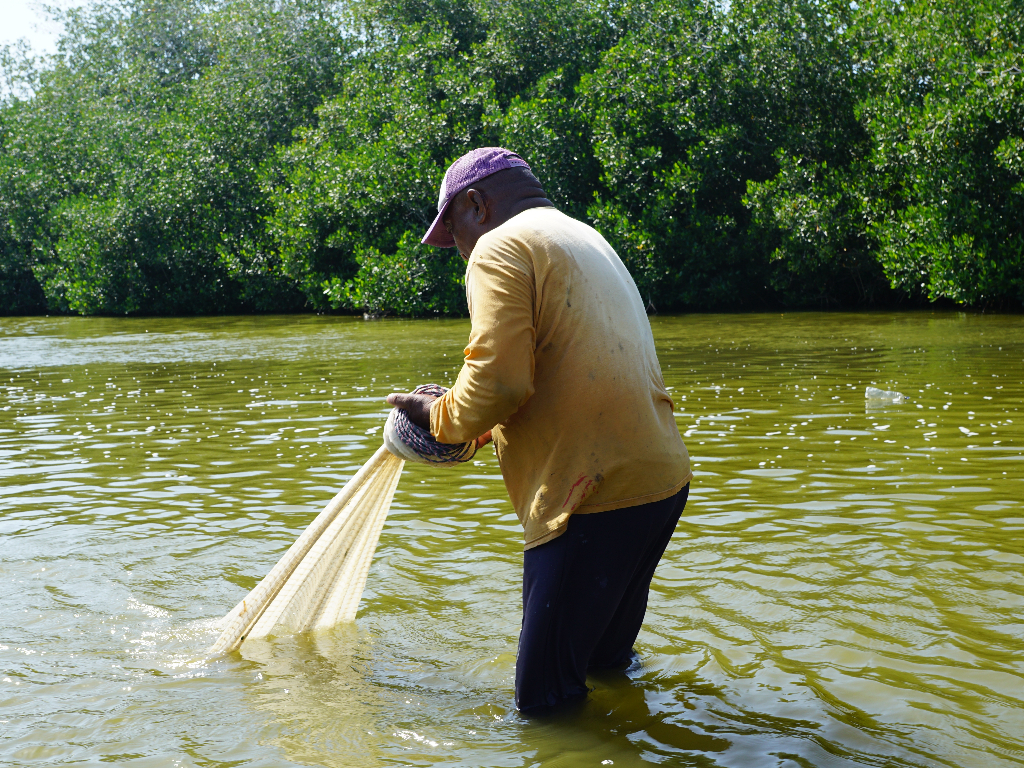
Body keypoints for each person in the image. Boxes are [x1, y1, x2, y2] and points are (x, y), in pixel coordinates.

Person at [386, 147, 691, 712]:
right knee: (604, 664)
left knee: (543, 709)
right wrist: (471, 425)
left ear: (477, 205)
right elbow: (554, 372)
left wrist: (442, 420)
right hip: (660, 483)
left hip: (590, 497)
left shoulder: (499, 248)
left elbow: (500, 385)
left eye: (453, 233)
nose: (458, 252)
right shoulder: (581, 234)